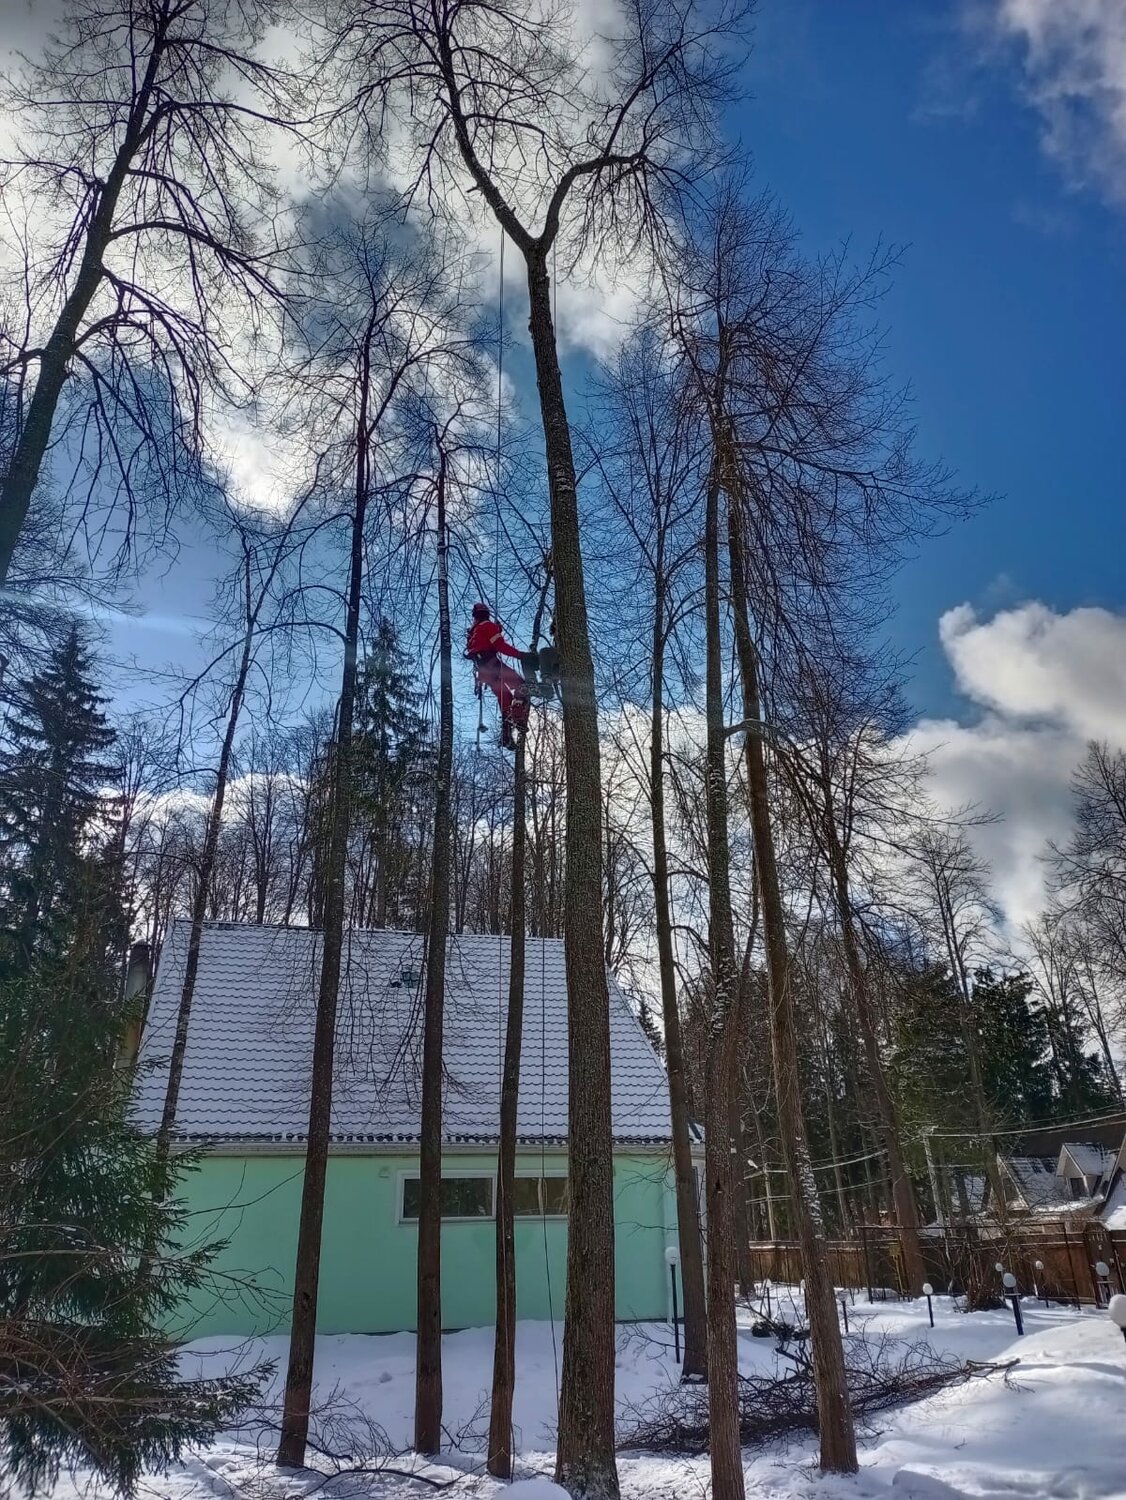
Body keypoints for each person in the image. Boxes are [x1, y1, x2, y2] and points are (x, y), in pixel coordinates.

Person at [465, 603, 530, 749]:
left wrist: (497, 631)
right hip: (491, 663)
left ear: (475, 616)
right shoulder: (488, 626)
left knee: (505, 695)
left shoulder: (473, 632)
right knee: (521, 685)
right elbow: (500, 646)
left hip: (482, 670)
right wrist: (520, 655)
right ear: (487, 614)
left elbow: (482, 644)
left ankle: (506, 736)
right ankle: (518, 716)